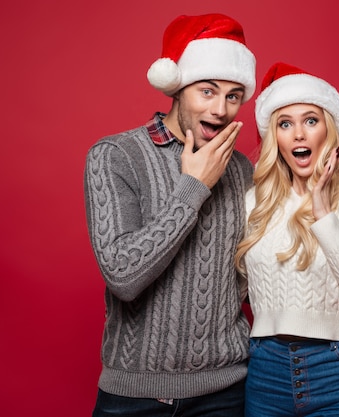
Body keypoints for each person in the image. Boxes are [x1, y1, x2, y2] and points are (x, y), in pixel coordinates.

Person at [84, 13, 257, 417]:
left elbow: (251, 277)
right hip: (134, 396)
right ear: (178, 88)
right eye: (207, 91)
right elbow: (123, 277)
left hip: (227, 391)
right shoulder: (115, 157)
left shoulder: (242, 170)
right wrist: (193, 188)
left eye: (233, 96)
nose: (220, 109)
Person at [235, 62, 339, 417]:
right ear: (275, 136)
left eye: (310, 120)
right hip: (265, 372)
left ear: (329, 128)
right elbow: (230, 294)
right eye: (285, 124)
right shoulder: (253, 203)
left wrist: (323, 216)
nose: (299, 135)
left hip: (338, 372)